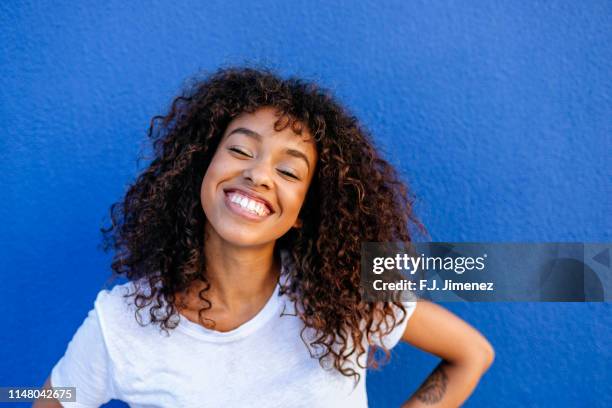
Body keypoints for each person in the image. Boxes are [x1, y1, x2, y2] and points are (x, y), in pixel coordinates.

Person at [35, 67, 494, 407]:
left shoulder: (347, 293)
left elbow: (471, 353)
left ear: (302, 213)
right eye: (239, 150)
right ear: (202, 168)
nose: (257, 175)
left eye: (289, 170)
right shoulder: (120, 323)